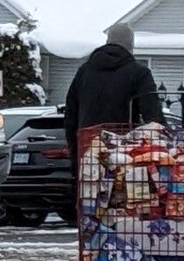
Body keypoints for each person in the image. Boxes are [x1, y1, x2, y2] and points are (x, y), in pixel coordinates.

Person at [63, 22, 162, 159]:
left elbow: (70, 115)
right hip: (125, 154)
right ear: (131, 45)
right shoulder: (139, 73)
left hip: (88, 153)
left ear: (108, 42)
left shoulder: (84, 72)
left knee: (90, 179)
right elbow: (154, 118)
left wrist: (74, 154)